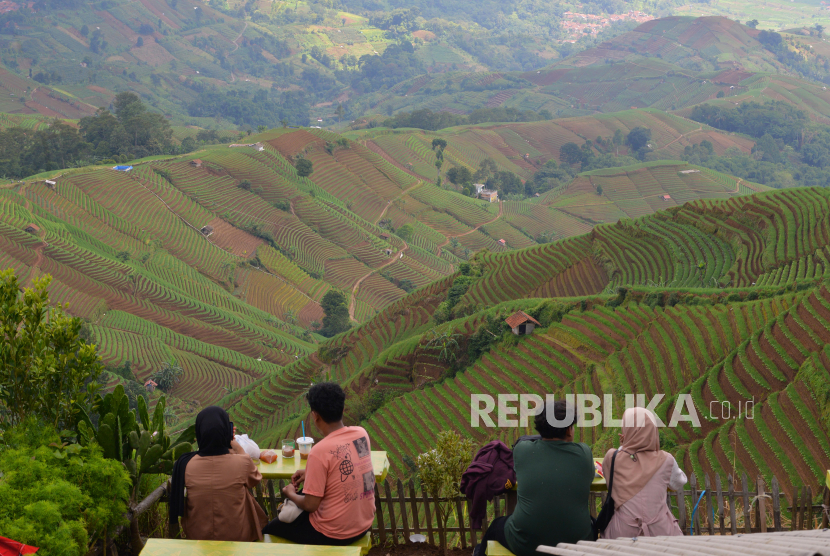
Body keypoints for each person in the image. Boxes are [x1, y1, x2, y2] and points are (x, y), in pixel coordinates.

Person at [473, 400, 595, 556]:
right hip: (576, 546)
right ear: (569, 430)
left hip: (527, 544)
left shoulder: (522, 451)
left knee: (496, 525)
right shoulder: (584, 454)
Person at [262, 382, 375, 544]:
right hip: (363, 525)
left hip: (333, 534)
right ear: (342, 409)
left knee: (271, 528)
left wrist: (290, 494)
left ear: (315, 415)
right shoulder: (361, 434)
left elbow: (310, 505)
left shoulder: (319, 451)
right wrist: (309, 472)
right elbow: (344, 467)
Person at [169, 406, 267, 541]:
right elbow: (255, 479)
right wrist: (238, 448)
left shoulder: (186, 464)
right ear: (226, 432)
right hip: (237, 536)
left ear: (199, 433)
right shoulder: (242, 462)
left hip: (197, 536)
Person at [600, 406, 687, 538]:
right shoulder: (666, 459)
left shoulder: (612, 457)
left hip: (623, 533)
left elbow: (609, 478)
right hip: (662, 532)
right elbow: (678, 482)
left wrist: (625, 445)